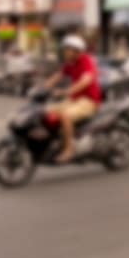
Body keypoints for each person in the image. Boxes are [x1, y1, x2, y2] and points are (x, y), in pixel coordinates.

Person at [43, 34, 102, 163]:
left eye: (67, 49)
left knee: (65, 115)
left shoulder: (86, 61)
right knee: (47, 111)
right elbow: (58, 75)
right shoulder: (70, 63)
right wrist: (43, 86)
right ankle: (56, 141)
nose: (64, 52)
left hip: (89, 101)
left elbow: (86, 80)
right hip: (75, 100)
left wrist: (67, 91)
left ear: (76, 50)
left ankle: (68, 150)